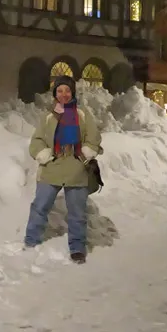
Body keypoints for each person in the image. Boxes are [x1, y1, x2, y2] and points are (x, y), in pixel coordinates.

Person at [24, 75, 103, 264]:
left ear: (72, 92)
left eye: (67, 90)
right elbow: (37, 140)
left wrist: (86, 152)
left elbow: (94, 137)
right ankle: (30, 241)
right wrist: (43, 153)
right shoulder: (49, 116)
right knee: (40, 207)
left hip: (76, 169)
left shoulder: (83, 114)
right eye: (60, 91)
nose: (64, 94)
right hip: (51, 167)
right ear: (55, 94)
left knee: (77, 212)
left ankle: (77, 248)